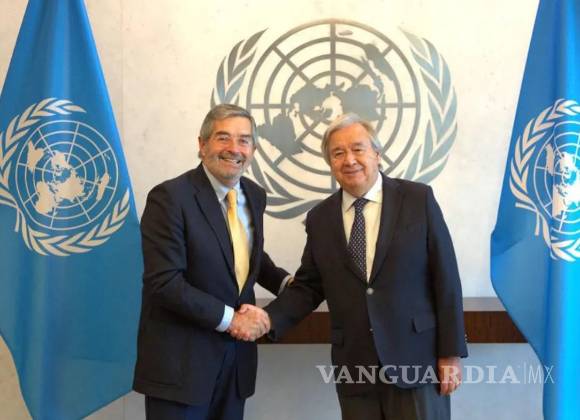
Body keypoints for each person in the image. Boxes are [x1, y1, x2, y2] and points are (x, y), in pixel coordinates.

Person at [262, 113, 468, 420]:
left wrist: (450, 353)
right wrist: (268, 319)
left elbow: (446, 278)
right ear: (330, 163)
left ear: (377, 154)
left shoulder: (417, 199)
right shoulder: (320, 218)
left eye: (358, 149)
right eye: (338, 153)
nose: (349, 160)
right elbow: (309, 286)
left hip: (416, 360)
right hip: (355, 368)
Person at [133, 104, 289, 420]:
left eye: (244, 140)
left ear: (253, 150)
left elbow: (244, 254)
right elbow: (164, 282)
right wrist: (232, 320)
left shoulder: (254, 195)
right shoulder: (170, 198)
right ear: (202, 145)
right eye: (223, 138)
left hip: (235, 366)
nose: (234, 148)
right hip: (181, 367)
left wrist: (289, 284)